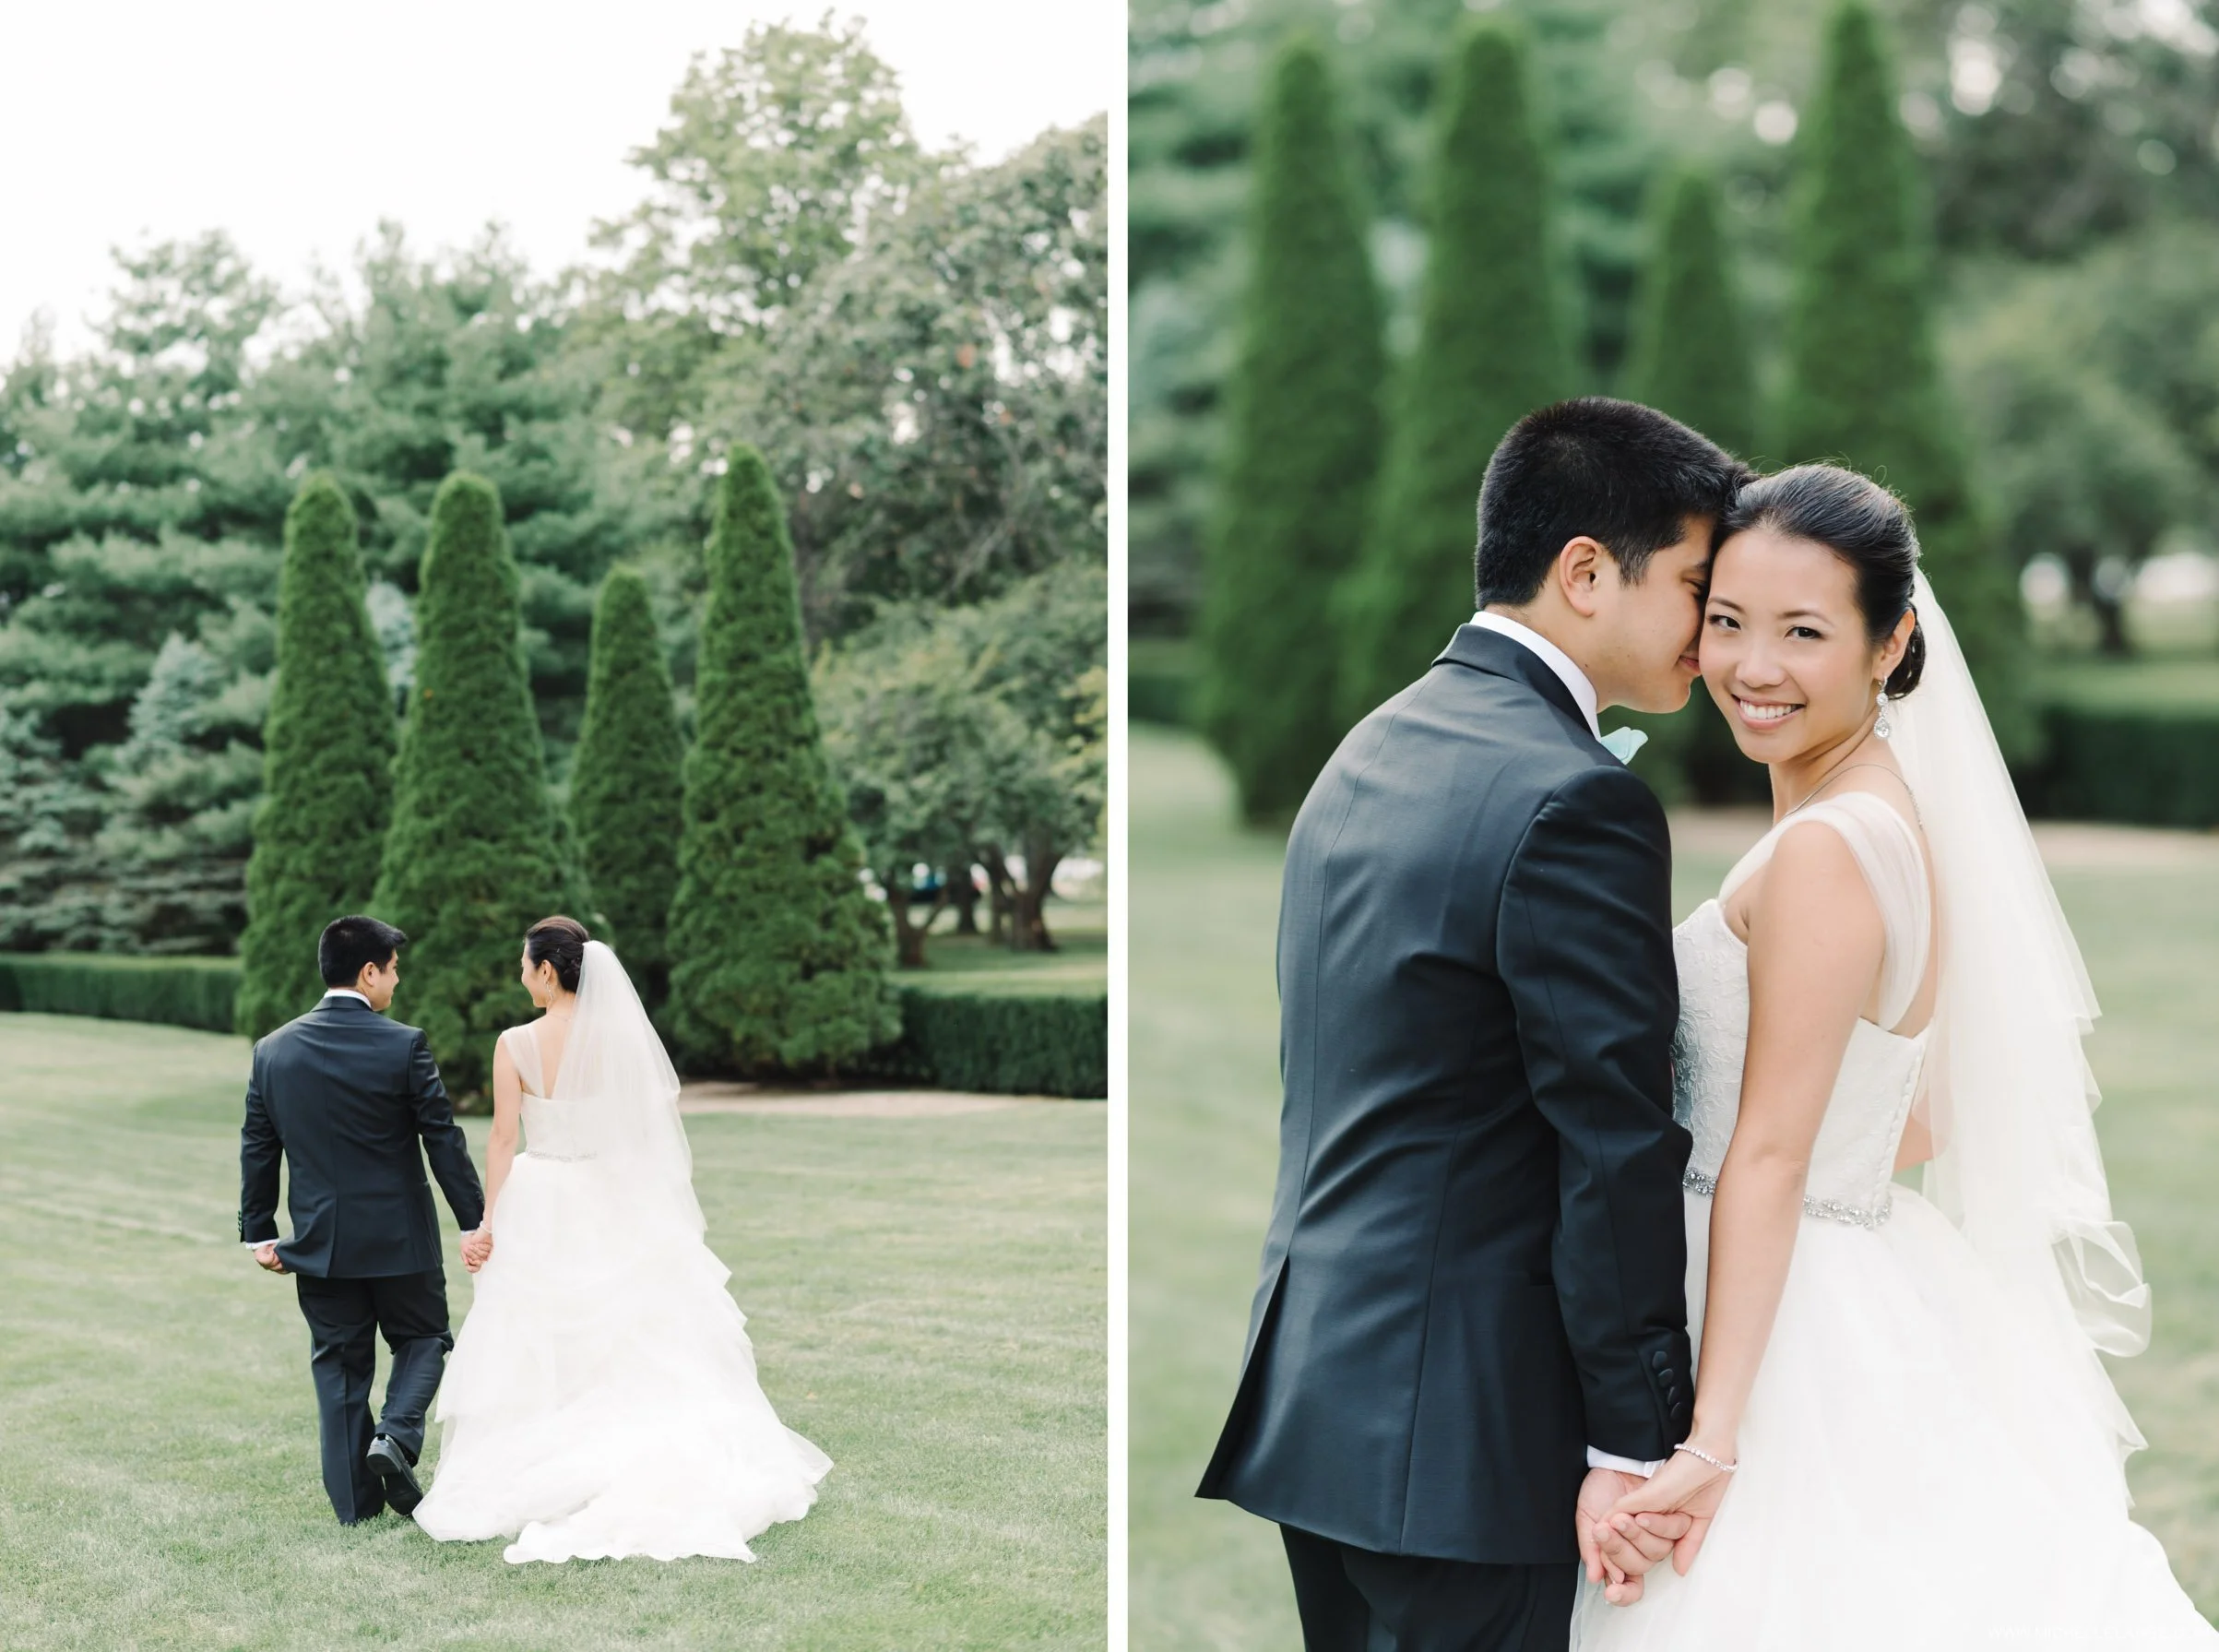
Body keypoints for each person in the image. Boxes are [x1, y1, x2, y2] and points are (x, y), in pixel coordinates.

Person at [1572, 464, 2215, 1648]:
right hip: (1846, 1265)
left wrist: (1713, 1441)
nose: (1752, 667)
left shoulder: (1827, 849)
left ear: (1890, 643)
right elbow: (1920, 1118)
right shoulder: (1897, 814)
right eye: (1726, 622)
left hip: (1774, 1323)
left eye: (1803, 632)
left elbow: (1769, 1154)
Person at [1198, 398, 1753, 1650]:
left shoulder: (1369, 747)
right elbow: (1609, 1138)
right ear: (1583, 573)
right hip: (1464, 1434)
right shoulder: (1575, 799)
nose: (1710, 639)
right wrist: (1631, 1434)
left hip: (1322, 1392)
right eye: (1695, 588)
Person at [410, 916, 831, 1563]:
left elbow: (500, 1139)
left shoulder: (515, 1043)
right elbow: (641, 1131)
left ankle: (559, 1455)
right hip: (614, 1195)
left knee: (542, 1332)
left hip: (543, 1195)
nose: (521, 975)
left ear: (547, 971)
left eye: (524, 965)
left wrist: (488, 1221)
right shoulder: (619, 1039)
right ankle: (635, 1449)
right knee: (635, 1333)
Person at [238, 913, 488, 1524]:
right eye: (394, 970)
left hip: (320, 1244)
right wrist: (473, 1218)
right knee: (425, 1336)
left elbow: (258, 1144)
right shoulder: (404, 1043)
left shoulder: (272, 1051)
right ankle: (396, 1438)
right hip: (401, 1238)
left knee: (340, 1364)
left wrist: (261, 1232)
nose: (397, 982)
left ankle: (355, 1507)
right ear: (369, 971)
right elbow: (443, 1137)